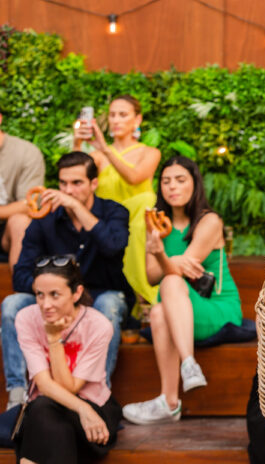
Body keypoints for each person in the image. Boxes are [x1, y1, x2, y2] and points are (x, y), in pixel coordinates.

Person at [2, 152, 131, 410]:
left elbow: (114, 247)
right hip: (56, 299)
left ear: (94, 183)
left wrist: (78, 209)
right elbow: (21, 275)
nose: (68, 190)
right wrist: (54, 294)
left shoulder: (114, 211)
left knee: (110, 305)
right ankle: (18, 395)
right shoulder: (45, 219)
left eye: (77, 183)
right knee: (12, 304)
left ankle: (96, 397)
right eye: (63, 184)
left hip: (99, 295)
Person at [122, 156, 243, 425]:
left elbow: (179, 269)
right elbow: (152, 276)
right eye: (166, 181)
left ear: (194, 184)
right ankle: (170, 401)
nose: (172, 187)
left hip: (215, 306)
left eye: (180, 180)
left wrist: (163, 256)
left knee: (171, 282)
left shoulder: (209, 221)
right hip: (179, 308)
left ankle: (188, 364)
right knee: (157, 311)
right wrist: (167, 260)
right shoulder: (155, 224)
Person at [15, 256, 121, 464]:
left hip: (94, 413)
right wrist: (83, 409)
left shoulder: (98, 326)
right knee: (46, 412)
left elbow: (69, 386)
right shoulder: (26, 318)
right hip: (53, 410)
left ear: (77, 293)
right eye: (40, 295)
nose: (46, 304)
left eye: (55, 295)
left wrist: (53, 340)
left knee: (44, 418)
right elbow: (44, 385)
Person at [74, 95, 162, 309]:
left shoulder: (149, 152)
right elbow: (75, 175)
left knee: (146, 201)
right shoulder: (96, 155)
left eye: (123, 114)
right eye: (112, 115)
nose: (116, 120)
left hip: (139, 220)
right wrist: (77, 142)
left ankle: (144, 295)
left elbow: (134, 177)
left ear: (137, 120)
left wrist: (106, 149)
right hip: (107, 224)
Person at [0, 111, 45, 271]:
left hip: (7, 230)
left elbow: (29, 205)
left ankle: (20, 290)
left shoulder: (26, 152)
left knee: (19, 221)